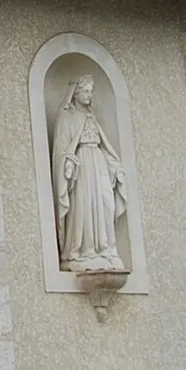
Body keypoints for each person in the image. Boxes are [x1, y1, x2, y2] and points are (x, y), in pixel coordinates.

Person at [51, 71, 126, 274]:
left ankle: (106, 248)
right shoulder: (67, 116)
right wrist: (67, 162)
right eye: (85, 91)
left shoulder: (92, 117)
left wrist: (114, 165)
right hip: (81, 166)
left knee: (105, 203)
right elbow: (62, 149)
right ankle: (82, 251)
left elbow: (105, 146)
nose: (88, 95)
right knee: (84, 204)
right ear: (75, 93)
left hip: (98, 163)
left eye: (90, 92)